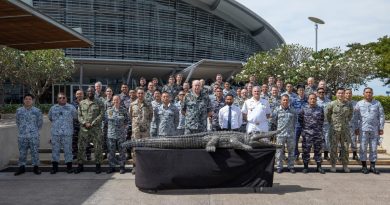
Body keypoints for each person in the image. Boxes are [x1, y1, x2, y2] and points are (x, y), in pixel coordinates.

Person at [75, 87, 105, 174]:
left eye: (92, 91)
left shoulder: (99, 102)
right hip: (84, 129)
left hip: (95, 129)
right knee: (81, 147)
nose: (90, 92)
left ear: (94, 92)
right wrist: (84, 123)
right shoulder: (81, 103)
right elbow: (79, 115)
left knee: (97, 148)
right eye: (88, 91)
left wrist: (93, 123)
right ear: (86, 92)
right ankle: (80, 166)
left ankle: (98, 166)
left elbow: (102, 114)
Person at [355, 88, 385, 174]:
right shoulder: (359, 104)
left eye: (370, 92)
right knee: (363, 148)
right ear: (363, 93)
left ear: (372, 93)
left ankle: (372, 166)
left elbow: (381, 116)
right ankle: (364, 167)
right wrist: (356, 128)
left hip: (374, 130)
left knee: (373, 148)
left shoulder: (377, 103)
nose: (368, 94)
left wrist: (381, 128)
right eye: (367, 92)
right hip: (363, 130)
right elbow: (356, 117)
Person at [14, 94, 43, 176]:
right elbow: (17, 122)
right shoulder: (19, 111)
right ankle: (21, 168)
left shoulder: (37, 111)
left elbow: (40, 123)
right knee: (22, 152)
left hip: (34, 136)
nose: (27, 100)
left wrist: (34, 131)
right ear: (23, 100)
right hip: (22, 135)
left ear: (32, 101)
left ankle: (36, 168)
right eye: (26, 99)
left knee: (35, 152)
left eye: (29, 99)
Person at [48, 93, 77, 174]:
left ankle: (69, 168)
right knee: (55, 151)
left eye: (64, 98)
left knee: (68, 151)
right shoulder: (53, 108)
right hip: (56, 134)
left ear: (66, 99)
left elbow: (75, 117)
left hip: (67, 133)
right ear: (57, 99)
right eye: (60, 98)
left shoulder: (71, 108)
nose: (62, 99)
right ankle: (54, 168)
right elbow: (50, 118)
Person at [327, 88, 353, 173]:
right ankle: (333, 165)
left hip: (345, 129)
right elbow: (328, 114)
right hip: (334, 129)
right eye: (339, 93)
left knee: (345, 148)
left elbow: (350, 115)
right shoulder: (332, 104)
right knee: (333, 147)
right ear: (336, 94)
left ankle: (345, 165)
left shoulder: (349, 104)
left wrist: (345, 122)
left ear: (344, 94)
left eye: (342, 93)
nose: (340, 95)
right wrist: (333, 122)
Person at [299, 94, 325, 174]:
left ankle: (319, 166)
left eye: (314, 99)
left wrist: (318, 129)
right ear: (308, 100)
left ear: (316, 100)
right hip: (307, 134)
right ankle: (306, 167)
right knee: (306, 150)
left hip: (317, 133)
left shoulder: (320, 109)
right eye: (311, 99)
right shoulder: (303, 109)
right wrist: (305, 129)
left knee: (318, 150)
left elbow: (322, 120)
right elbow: (300, 119)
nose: (312, 100)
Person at [129, 88, 153, 174]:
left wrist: (144, 124)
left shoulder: (148, 104)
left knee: (146, 147)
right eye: (139, 93)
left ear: (144, 94)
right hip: (136, 131)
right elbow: (131, 116)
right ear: (136, 94)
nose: (140, 95)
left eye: (142, 93)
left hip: (145, 130)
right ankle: (135, 166)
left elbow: (151, 116)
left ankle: (145, 166)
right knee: (135, 148)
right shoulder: (132, 104)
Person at [270, 94, 296, 173]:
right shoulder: (277, 110)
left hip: (290, 134)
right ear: (281, 101)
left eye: (286, 100)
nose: (285, 101)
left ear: (289, 101)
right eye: (284, 100)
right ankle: (279, 166)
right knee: (279, 152)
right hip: (280, 134)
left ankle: (291, 166)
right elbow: (273, 121)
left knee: (291, 151)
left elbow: (295, 121)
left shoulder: (293, 110)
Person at [104, 95, 129, 174]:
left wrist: (124, 130)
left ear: (120, 100)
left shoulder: (124, 110)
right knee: (111, 152)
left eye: (117, 100)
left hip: (121, 135)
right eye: (114, 100)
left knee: (122, 151)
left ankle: (122, 166)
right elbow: (105, 122)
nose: (116, 101)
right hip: (111, 135)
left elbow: (127, 121)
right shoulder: (109, 111)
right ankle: (112, 167)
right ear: (112, 101)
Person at [291, 85, 307, 160]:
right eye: (300, 90)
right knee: (295, 140)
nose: (301, 91)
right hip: (296, 123)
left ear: (304, 91)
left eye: (302, 90)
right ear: (297, 91)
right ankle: (296, 153)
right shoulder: (293, 100)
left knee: (305, 140)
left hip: (305, 124)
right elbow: (291, 110)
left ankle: (305, 154)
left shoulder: (307, 100)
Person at [316, 87, 331, 160]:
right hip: (317, 124)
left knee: (327, 139)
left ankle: (326, 154)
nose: (321, 93)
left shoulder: (329, 101)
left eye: (323, 92)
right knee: (318, 140)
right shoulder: (314, 101)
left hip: (326, 123)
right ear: (317, 93)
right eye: (320, 92)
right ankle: (318, 154)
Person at [71, 89, 85, 160]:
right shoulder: (72, 104)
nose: (79, 95)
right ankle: (75, 154)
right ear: (76, 95)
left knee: (85, 141)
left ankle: (85, 155)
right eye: (78, 94)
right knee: (74, 141)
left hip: (84, 126)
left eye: (81, 94)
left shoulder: (87, 103)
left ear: (83, 95)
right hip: (75, 125)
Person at [345, 89, 359, 160]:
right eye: (347, 93)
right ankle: (341, 154)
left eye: (349, 93)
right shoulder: (342, 103)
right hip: (343, 125)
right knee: (343, 141)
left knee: (353, 140)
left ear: (351, 94)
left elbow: (358, 116)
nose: (348, 94)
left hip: (353, 125)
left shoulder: (356, 103)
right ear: (344, 94)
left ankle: (355, 154)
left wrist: (357, 127)